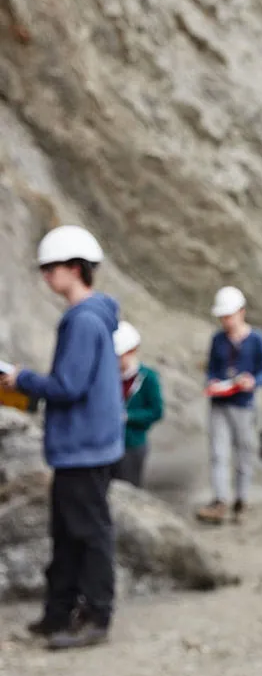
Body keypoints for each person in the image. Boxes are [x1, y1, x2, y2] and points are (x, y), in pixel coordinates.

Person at [2, 226, 123, 650]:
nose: (46, 277)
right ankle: (58, 615)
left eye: (50, 268)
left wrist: (21, 379)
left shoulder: (84, 321)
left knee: (89, 535)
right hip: (85, 446)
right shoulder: (94, 317)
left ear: (74, 269)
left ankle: (95, 618)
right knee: (69, 534)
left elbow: (68, 386)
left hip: (83, 448)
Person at [198, 285, 262, 525]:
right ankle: (220, 499)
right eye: (222, 317)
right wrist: (213, 382)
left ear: (241, 312)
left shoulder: (256, 339)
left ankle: (242, 498)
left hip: (243, 404)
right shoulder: (218, 339)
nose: (225, 321)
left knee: (244, 453)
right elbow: (211, 368)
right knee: (218, 452)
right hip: (219, 402)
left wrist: (253, 381)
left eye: (229, 316)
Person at [111, 321, 163, 488]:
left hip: (133, 445)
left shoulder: (147, 378)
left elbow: (156, 411)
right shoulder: (110, 377)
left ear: (132, 351)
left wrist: (128, 417)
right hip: (109, 444)